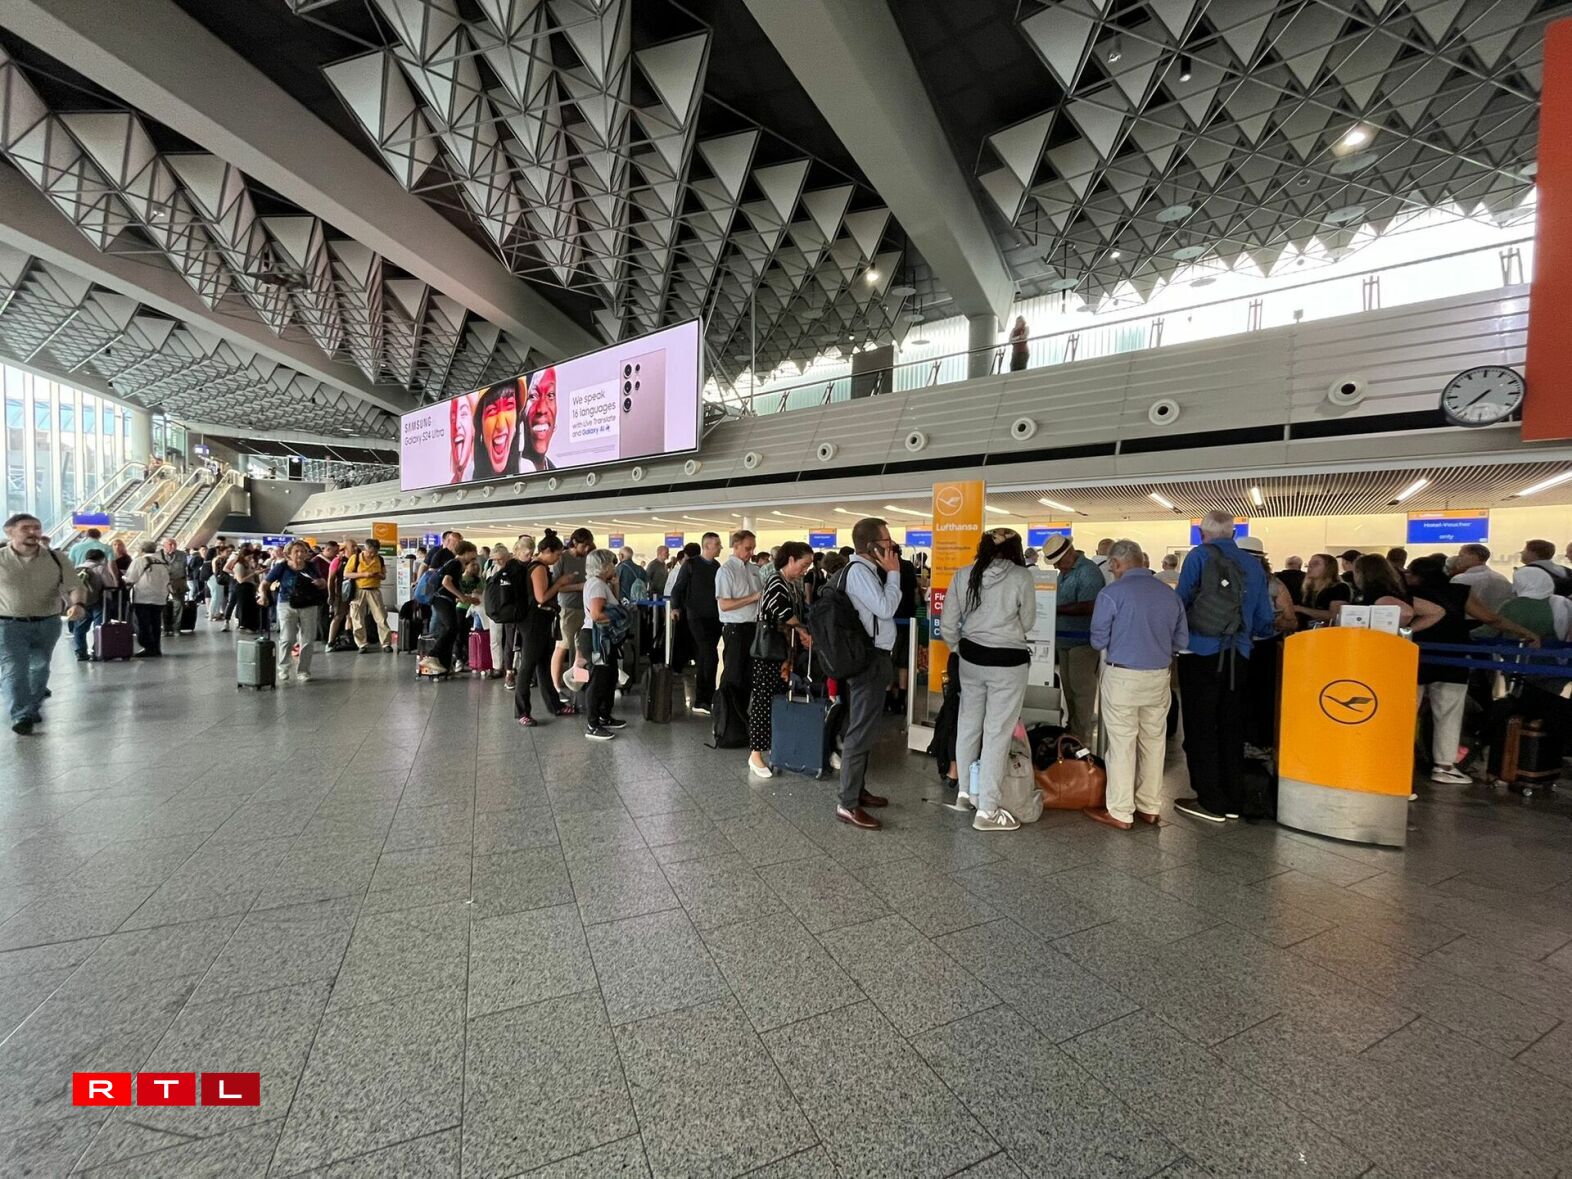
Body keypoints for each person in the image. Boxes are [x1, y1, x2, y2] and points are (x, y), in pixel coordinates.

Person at [1173, 510, 1277, 823]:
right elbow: (1264, 619)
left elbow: (1180, 603)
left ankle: (1210, 799)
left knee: (1201, 725)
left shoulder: (1199, 556)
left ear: (1203, 534)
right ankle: (1234, 797)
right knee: (1231, 724)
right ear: (1232, 534)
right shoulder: (1252, 564)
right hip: (1239, 655)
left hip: (1200, 653)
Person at [1405, 556, 1539, 786]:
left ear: (1416, 575)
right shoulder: (1459, 592)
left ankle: (1398, 762)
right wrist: (1524, 632)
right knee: (1448, 713)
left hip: (1412, 657)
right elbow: (1491, 618)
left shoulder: (1406, 592)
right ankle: (1445, 766)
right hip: (1452, 659)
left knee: (1406, 714)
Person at [939, 527, 1036, 832]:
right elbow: (1029, 621)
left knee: (968, 724)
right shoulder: (1021, 577)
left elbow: (948, 623)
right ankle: (988, 810)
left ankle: (966, 793)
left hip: (971, 658)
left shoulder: (964, 574)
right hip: (1009, 663)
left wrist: (959, 647)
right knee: (997, 732)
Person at [1088, 539, 1187, 829]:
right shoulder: (1169, 595)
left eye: (1111, 565)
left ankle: (1120, 811)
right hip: (1159, 675)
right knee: (1154, 742)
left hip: (1122, 675)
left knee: (1121, 743)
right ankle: (1149, 807)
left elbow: (1097, 639)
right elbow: (1181, 641)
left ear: (1117, 564)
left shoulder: (1110, 594)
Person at [834, 517, 900, 830]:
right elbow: (886, 608)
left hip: (873, 658)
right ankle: (847, 803)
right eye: (887, 544)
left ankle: (857, 790)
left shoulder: (866, 571)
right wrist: (895, 576)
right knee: (860, 730)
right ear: (871, 546)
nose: (892, 549)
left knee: (865, 727)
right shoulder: (860, 572)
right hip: (869, 660)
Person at [1, 513, 85, 732]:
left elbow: (74, 585)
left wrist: (77, 604)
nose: (33, 532)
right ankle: (21, 715)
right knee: (14, 669)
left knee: (39, 667)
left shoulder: (56, 558)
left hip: (47, 622)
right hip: (8, 624)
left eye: (36, 528)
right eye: (26, 528)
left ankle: (31, 706)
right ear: (9, 532)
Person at [747, 541, 814, 778]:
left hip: (783, 653)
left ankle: (773, 747)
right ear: (791, 559)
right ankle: (755, 753)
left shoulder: (790, 583)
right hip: (770, 652)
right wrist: (804, 632)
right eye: (803, 565)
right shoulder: (776, 582)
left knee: (775, 699)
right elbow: (784, 613)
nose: (805, 570)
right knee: (763, 701)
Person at [1042, 534, 1104, 743]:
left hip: (1082, 641)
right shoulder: (1064, 573)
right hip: (1064, 640)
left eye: (1059, 561)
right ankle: (1073, 727)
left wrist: (1056, 609)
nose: (1058, 566)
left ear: (1069, 552)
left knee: (1082, 690)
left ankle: (1081, 733)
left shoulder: (1088, 572)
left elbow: (1090, 606)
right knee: (1068, 688)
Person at [515, 532, 574, 724]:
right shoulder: (538, 568)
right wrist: (560, 583)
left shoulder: (538, 566)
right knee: (528, 667)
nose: (558, 559)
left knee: (542, 665)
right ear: (547, 551)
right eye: (556, 555)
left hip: (540, 621)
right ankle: (522, 711)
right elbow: (541, 597)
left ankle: (555, 705)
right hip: (534, 622)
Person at [260, 540, 329, 684]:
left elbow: (323, 582)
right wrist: (262, 595)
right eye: (296, 551)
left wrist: (320, 583)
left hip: (308, 604)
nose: (300, 554)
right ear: (288, 554)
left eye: (303, 551)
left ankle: (303, 671)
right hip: (286, 603)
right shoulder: (282, 567)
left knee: (308, 639)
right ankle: (283, 668)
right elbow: (265, 583)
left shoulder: (311, 566)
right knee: (287, 638)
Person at [579, 548, 627, 740]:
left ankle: (604, 715)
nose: (614, 567)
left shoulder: (600, 583)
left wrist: (615, 585)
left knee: (609, 676)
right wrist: (621, 617)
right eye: (612, 563)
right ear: (604, 565)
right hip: (596, 637)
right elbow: (597, 614)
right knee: (598, 679)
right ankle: (592, 724)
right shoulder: (597, 585)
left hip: (601, 637)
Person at [671, 533, 721, 713]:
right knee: (709, 655)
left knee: (707, 656)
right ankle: (702, 699)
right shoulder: (691, 564)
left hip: (714, 617)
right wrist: (675, 607)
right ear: (707, 546)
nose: (720, 548)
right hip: (696, 616)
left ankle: (706, 697)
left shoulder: (716, 566)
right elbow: (678, 587)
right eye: (717, 545)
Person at [715, 530, 763, 707]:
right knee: (733, 676)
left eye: (753, 548)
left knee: (748, 676)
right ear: (736, 547)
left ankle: (741, 716)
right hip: (736, 629)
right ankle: (726, 716)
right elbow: (725, 604)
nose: (751, 553)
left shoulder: (754, 570)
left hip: (753, 628)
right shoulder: (726, 571)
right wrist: (752, 598)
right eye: (747, 548)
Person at [420, 541, 481, 676]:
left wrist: (463, 597)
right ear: (465, 552)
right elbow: (446, 582)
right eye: (473, 552)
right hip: (441, 599)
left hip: (444, 599)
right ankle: (431, 656)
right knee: (451, 628)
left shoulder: (456, 564)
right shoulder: (455, 563)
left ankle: (445, 665)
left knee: (451, 631)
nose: (475, 555)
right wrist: (462, 597)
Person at [550, 528, 593, 696]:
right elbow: (555, 586)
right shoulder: (562, 559)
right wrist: (578, 587)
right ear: (574, 542)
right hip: (566, 608)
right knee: (562, 646)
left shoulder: (586, 559)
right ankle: (556, 684)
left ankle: (577, 683)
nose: (587, 549)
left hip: (583, 608)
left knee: (580, 648)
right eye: (584, 545)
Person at [122, 541, 171, 658]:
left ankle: (148, 647)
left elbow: (130, 578)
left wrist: (122, 576)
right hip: (160, 597)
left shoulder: (139, 561)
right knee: (156, 623)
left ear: (141, 549)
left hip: (143, 597)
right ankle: (156, 647)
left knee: (142, 624)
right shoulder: (163, 562)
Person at [345, 537, 394, 652]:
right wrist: (363, 574)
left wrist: (378, 575)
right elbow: (347, 573)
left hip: (374, 590)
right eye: (370, 552)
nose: (372, 555)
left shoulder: (379, 559)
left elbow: (384, 575)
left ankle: (386, 643)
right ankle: (361, 644)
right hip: (359, 590)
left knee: (381, 617)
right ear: (365, 549)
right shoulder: (355, 558)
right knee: (357, 618)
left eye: (375, 552)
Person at [887, 543, 919, 714]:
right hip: (907, 618)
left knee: (887, 659)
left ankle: (887, 698)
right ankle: (901, 699)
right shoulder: (907, 566)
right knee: (903, 662)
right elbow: (915, 592)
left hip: (888, 620)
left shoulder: (882, 568)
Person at [71, 546, 114, 661]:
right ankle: (97, 652)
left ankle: (81, 653)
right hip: (99, 601)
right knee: (99, 627)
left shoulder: (77, 568)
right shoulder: (100, 568)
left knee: (80, 628)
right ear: (101, 558)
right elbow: (109, 584)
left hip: (81, 602)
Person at [1293, 554, 1352, 628]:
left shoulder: (1339, 588)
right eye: (1309, 564)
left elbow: (1334, 616)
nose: (1310, 566)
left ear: (1328, 568)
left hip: (1326, 633)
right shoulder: (1305, 588)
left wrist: (1300, 609)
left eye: (1316, 564)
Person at [474, 379, 518, 480]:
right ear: (480, 426)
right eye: (491, 410)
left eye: (509, 405)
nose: (501, 425)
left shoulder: (526, 468)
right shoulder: (468, 476)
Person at [1450, 543, 1513, 612]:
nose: (1458, 559)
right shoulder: (1502, 579)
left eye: (1461, 556)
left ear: (1474, 557)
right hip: (1497, 620)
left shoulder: (1460, 579)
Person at [520, 367, 557, 472]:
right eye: (533, 396)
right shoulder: (507, 471)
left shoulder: (558, 471)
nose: (542, 409)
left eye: (550, 395)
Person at [449, 392, 476, 483]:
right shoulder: (450, 484)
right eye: (452, 419)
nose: (457, 425)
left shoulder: (481, 475)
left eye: (464, 414)